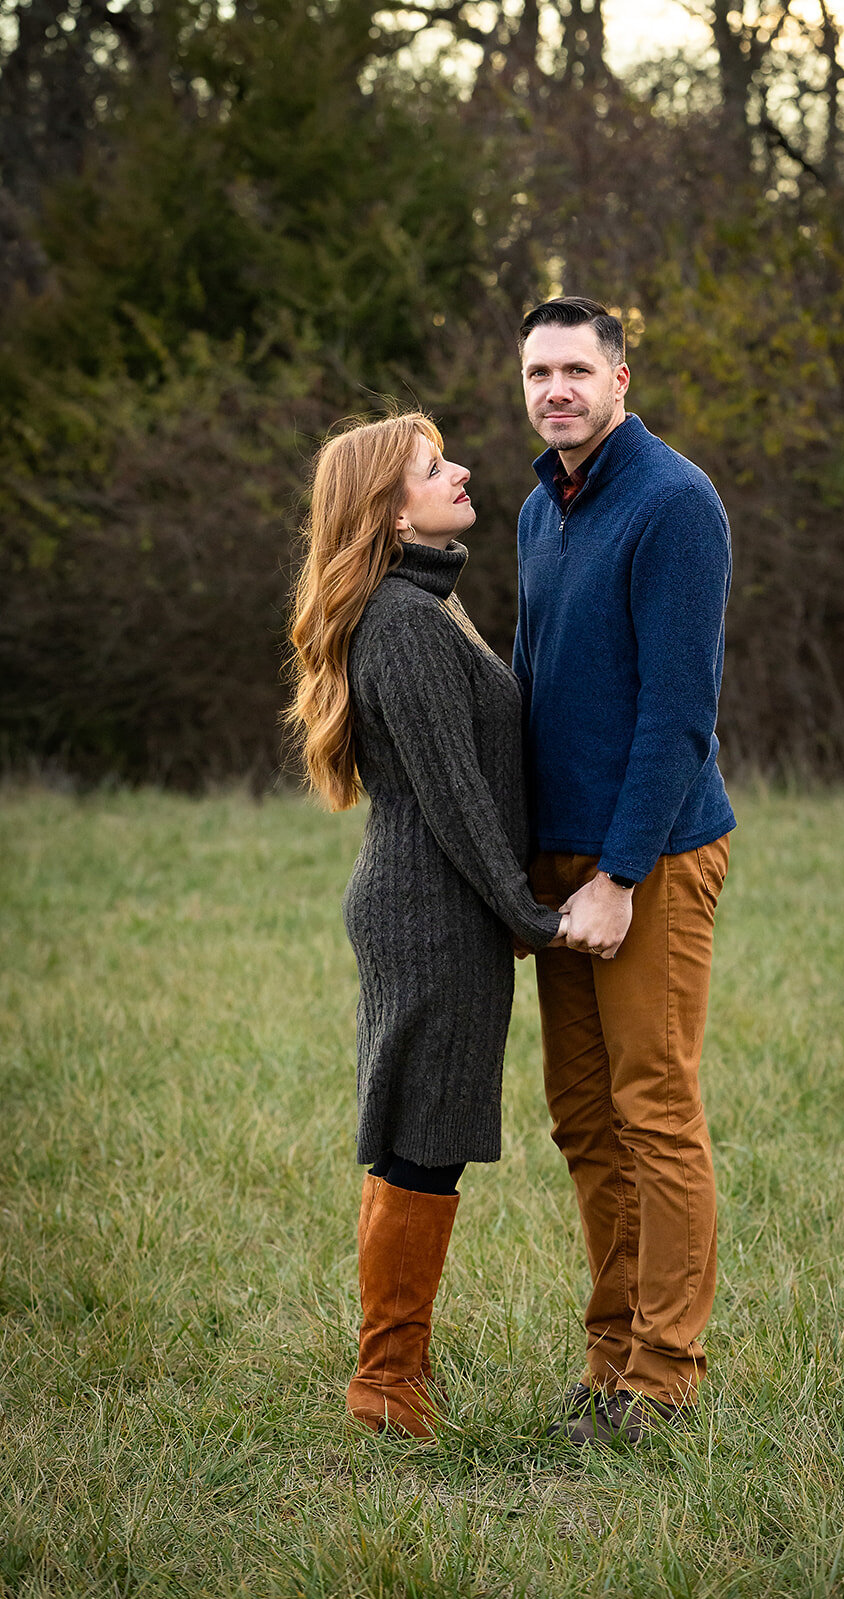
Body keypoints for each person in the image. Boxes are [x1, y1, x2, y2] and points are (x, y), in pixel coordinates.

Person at [286, 412, 566, 1440]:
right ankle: (386, 1384)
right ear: (387, 513)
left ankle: (392, 1372)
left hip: (431, 904)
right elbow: (454, 797)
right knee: (420, 1141)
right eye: (430, 467)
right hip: (430, 911)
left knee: (415, 1134)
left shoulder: (418, 605)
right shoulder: (402, 624)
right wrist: (527, 914)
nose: (456, 473)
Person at [513, 297, 736, 1445]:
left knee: (653, 1110)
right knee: (582, 1120)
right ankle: (607, 1360)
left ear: (619, 378)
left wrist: (617, 873)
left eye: (574, 370)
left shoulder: (672, 504)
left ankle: (664, 1375)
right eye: (537, 371)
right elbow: (528, 688)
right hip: (557, 864)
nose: (554, 389)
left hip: (647, 855)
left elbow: (676, 714)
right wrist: (523, 869)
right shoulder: (534, 509)